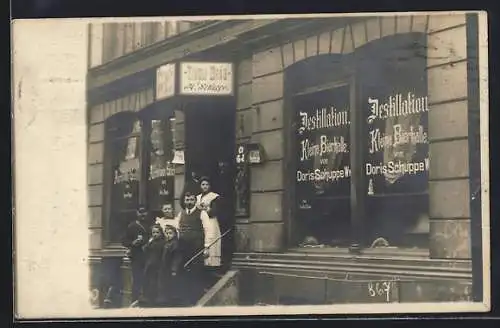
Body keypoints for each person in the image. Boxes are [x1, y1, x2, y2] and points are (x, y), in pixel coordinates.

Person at [176, 190, 212, 305]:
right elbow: (177, 229)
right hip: (183, 248)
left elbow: (208, 230)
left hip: (197, 247)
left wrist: (207, 247)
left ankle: (196, 297)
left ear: (195, 201)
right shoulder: (181, 213)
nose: (189, 202)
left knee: (196, 272)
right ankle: (185, 298)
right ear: (184, 201)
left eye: (191, 199)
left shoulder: (202, 213)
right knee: (184, 271)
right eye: (187, 200)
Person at [196, 177, 222, 281]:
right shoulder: (197, 197)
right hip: (200, 221)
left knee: (211, 242)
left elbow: (214, 212)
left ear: (209, 186)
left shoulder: (214, 197)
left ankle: (212, 268)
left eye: (207, 184)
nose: (205, 186)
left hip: (210, 221)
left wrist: (206, 208)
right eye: (203, 184)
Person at [122, 206, 149, 305]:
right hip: (137, 256)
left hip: (150, 256)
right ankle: (135, 300)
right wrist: (133, 242)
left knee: (149, 278)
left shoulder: (152, 224)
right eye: (140, 212)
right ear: (136, 213)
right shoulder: (132, 226)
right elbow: (124, 241)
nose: (143, 214)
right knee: (137, 278)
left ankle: (147, 300)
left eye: (145, 212)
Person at [140, 224, 166, 307]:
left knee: (156, 283)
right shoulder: (151, 241)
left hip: (158, 265)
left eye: (157, 232)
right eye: (153, 232)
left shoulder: (163, 242)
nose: (155, 234)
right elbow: (144, 249)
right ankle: (149, 299)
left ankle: (156, 300)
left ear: (161, 233)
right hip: (150, 264)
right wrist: (149, 242)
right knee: (149, 282)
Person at [158, 224, 183, 307]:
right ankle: (165, 299)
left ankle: (173, 300)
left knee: (172, 284)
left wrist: (174, 269)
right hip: (164, 267)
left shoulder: (175, 244)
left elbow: (177, 258)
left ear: (175, 234)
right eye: (167, 233)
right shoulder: (167, 243)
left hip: (170, 268)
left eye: (170, 233)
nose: (168, 235)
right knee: (164, 283)